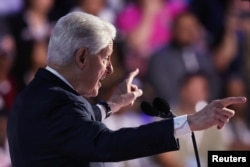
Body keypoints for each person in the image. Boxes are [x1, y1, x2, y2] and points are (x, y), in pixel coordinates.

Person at [7, 12, 246, 167]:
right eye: (106, 58)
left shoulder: (40, 93)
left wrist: (112, 105)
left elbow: (76, 125)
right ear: (82, 57)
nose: (111, 70)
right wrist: (190, 122)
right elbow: (107, 144)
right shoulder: (56, 103)